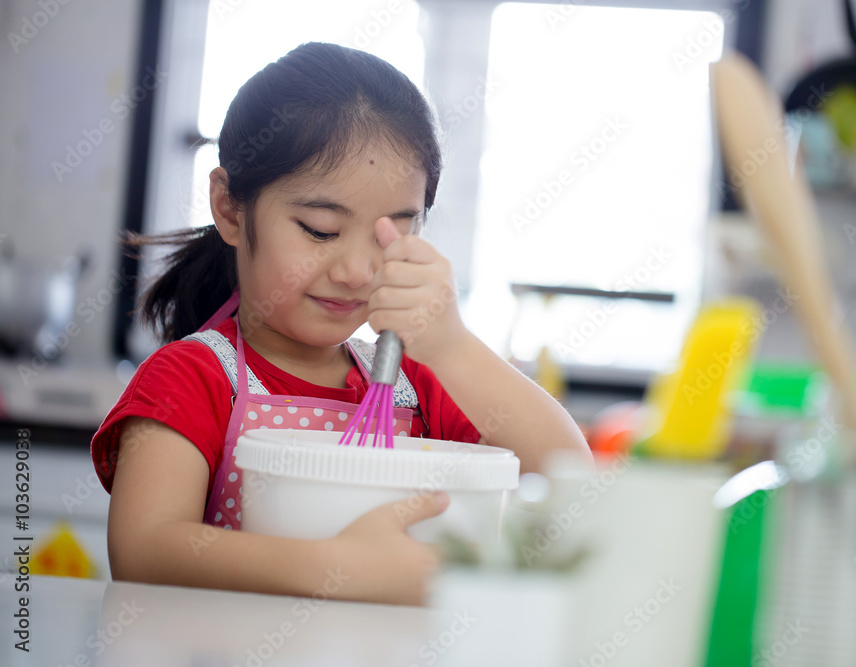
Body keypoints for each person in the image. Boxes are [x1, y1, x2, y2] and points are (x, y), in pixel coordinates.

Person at [91, 42, 591, 606]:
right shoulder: (194, 378)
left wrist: (452, 346)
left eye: (393, 232)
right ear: (231, 209)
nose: (358, 271)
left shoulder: (415, 387)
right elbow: (144, 551)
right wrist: (335, 568)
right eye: (321, 230)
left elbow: (567, 473)